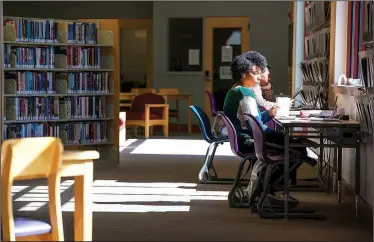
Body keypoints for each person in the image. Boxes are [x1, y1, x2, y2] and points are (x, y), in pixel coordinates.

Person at [223, 51, 307, 206]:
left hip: (247, 137)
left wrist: (269, 114)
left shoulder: (234, 91)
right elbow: (256, 127)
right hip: (250, 140)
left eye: (259, 73)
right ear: (243, 74)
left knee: (292, 144)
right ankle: (264, 191)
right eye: (254, 73)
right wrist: (281, 136)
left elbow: (253, 120)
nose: (258, 77)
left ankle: (266, 191)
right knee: (298, 149)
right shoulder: (245, 94)